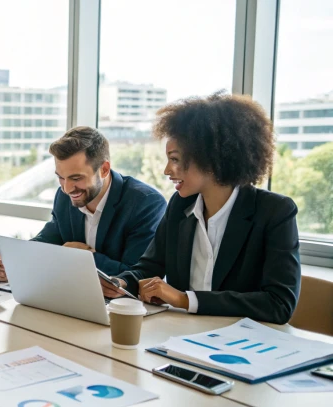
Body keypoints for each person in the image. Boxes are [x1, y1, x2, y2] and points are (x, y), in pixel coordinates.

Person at [101, 93, 300, 325]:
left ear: (210, 159)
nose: (167, 170)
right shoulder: (180, 205)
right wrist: (121, 283)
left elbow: (279, 304)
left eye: (175, 159)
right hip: (182, 333)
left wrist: (184, 299)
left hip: (240, 339)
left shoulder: (275, 212)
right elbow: (150, 266)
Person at [0, 126, 167, 281]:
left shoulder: (145, 203)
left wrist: (83, 257)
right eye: (61, 177)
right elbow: (48, 240)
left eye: (76, 178)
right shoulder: (64, 197)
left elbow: (138, 276)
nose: (67, 188)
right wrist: (14, 262)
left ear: (104, 169)